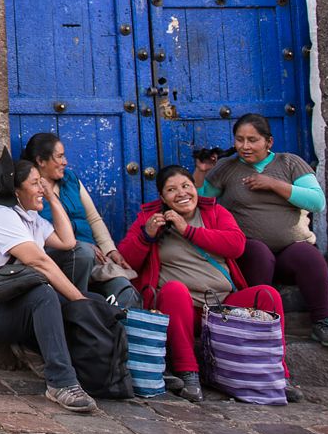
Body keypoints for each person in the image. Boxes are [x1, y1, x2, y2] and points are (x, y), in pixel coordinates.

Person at [118, 165, 303, 403]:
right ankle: (188, 372)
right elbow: (126, 261)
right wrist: (147, 235)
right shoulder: (150, 219)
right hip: (182, 311)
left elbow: (236, 245)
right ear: (163, 198)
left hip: (222, 307)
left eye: (186, 186)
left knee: (267, 295)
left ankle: (277, 374)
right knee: (174, 289)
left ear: (195, 188)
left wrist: (188, 231)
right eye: (172, 190)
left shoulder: (214, 212)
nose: (182, 193)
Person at [0, 148, 101, 414]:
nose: (42, 187)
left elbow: (67, 242)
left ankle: (99, 367)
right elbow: (40, 262)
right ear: (17, 191)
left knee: (95, 301)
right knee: (47, 294)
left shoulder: (31, 218)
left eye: (43, 183)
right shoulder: (0, 215)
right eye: (36, 183)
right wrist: (78, 300)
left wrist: (51, 198)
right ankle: (61, 383)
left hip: (16, 302)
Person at [193, 113, 328, 347]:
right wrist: (202, 172)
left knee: (310, 256)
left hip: (289, 251)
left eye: (252, 140)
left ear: (269, 142)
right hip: (250, 253)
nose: (245, 146)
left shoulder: (289, 163)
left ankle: (323, 322)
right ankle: (259, 322)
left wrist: (274, 184)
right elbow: (200, 202)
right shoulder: (227, 169)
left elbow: (317, 202)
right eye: (240, 139)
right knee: (259, 253)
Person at [21, 133, 141, 308]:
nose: (65, 162)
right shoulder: (29, 190)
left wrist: (110, 250)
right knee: (82, 253)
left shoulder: (70, 179)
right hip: (60, 259)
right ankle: (77, 311)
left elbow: (93, 218)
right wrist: (80, 245)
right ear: (41, 161)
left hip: (93, 260)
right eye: (60, 156)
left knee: (124, 291)